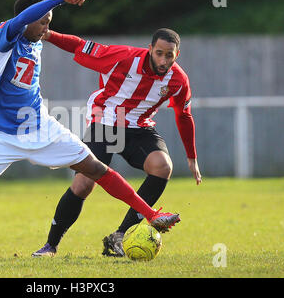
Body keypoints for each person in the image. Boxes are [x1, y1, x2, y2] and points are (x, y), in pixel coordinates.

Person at [0, 0, 180, 266]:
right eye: (42, 21)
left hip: (40, 126)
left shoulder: (35, 43)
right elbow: (21, 25)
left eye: (49, 22)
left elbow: (15, 82)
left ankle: (151, 215)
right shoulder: (3, 36)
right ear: (25, 19)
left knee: (96, 169)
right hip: (1, 135)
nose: (46, 28)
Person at [27, 27, 202, 257]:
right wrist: (49, 35)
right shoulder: (122, 57)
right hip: (106, 124)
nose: (163, 59)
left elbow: (183, 115)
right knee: (83, 185)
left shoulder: (178, 79)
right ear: (150, 49)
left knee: (163, 166)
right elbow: (79, 45)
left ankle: (119, 237)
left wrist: (192, 157)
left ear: (176, 54)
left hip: (139, 128)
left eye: (169, 55)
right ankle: (51, 245)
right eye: (159, 53)